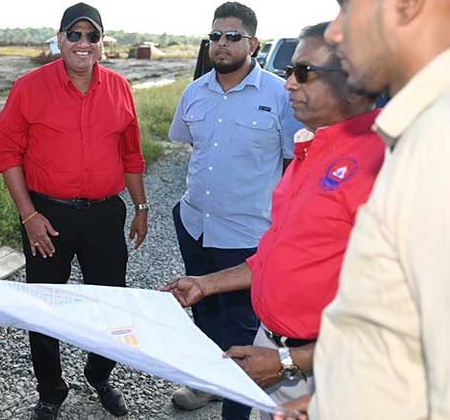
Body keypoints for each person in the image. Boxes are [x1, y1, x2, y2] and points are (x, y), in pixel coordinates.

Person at [275, 0, 450, 419]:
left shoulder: (439, 146)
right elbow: (403, 339)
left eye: (346, 4)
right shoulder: (420, 132)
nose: (333, 31)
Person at [163, 22, 383, 418]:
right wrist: (205, 284)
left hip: (331, 367)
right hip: (279, 347)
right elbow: (276, 255)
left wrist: (290, 363)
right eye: (288, 72)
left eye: (304, 73)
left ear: (355, 81)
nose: (288, 85)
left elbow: (400, 318)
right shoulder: (311, 149)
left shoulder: (384, 167)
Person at [0, 2, 149, 420]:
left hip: (104, 216)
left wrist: (140, 206)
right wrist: (30, 216)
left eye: (91, 36)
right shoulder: (29, 87)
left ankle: (99, 374)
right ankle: (51, 390)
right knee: (44, 307)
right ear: (60, 39)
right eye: (74, 35)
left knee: (112, 301)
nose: (83, 43)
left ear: (101, 42)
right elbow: (8, 153)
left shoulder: (119, 87)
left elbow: (131, 153)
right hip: (48, 217)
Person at [167, 1, 299, 420]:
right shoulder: (195, 92)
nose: (221, 44)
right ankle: (208, 383)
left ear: (253, 43)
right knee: (204, 315)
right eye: (215, 36)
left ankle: (236, 408)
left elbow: (294, 162)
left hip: (248, 236)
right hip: (196, 226)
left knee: (243, 331)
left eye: (232, 36)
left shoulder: (279, 95)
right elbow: (192, 146)